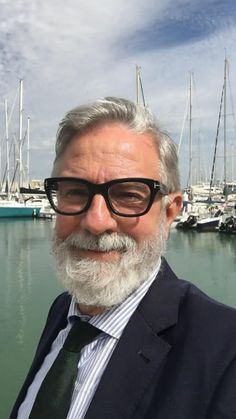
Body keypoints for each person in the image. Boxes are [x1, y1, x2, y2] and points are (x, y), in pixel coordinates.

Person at [10, 97, 236, 419]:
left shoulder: (225, 353)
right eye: (74, 191)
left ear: (170, 211)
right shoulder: (63, 309)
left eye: (129, 194)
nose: (96, 221)